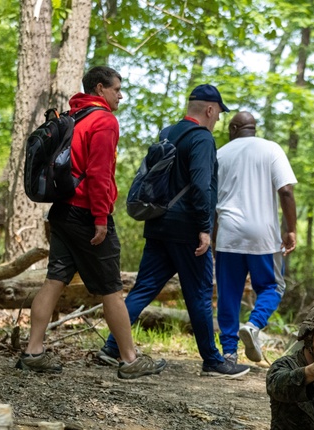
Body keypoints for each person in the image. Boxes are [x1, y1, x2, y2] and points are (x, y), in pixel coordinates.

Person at [15, 66, 165, 380]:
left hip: (63, 211)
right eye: (117, 89)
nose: (121, 96)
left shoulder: (75, 115)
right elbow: (98, 174)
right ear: (100, 88)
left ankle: (33, 351)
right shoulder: (104, 121)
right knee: (111, 289)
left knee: (54, 280)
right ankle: (129, 359)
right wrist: (100, 219)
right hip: (86, 213)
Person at [98, 84, 250, 378]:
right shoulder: (203, 139)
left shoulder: (168, 132)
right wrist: (205, 228)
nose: (218, 118)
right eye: (218, 112)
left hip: (158, 224)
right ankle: (212, 360)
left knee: (143, 288)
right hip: (187, 230)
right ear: (209, 109)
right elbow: (202, 185)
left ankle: (112, 347)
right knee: (200, 294)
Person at [214, 111, 297, 363]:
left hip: (228, 234)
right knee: (273, 286)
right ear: (254, 128)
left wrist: (212, 237)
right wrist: (291, 228)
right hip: (263, 235)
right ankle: (253, 325)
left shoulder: (220, 154)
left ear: (233, 129)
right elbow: (286, 190)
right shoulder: (271, 149)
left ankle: (229, 352)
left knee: (228, 293)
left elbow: (210, 201)